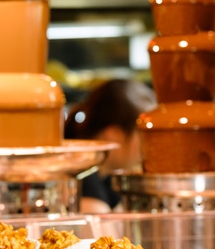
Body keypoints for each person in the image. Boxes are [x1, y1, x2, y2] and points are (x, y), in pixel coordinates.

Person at [64, 78, 156, 213]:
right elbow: (98, 228)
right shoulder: (83, 178)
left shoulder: (107, 178)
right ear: (113, 134)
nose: (150, 145)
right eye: (143, 134)